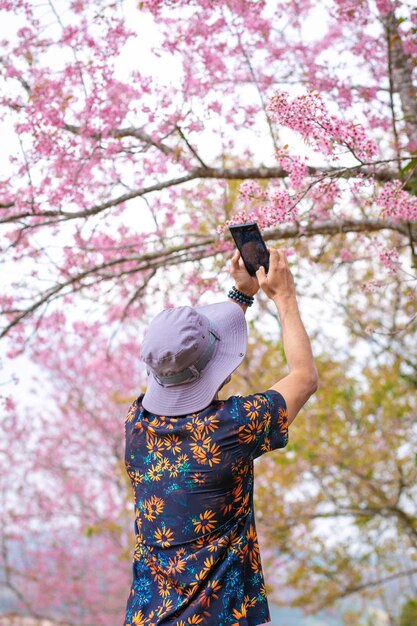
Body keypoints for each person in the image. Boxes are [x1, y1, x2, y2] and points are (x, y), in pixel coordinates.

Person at [123, 248, 318, 626]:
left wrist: (241, 296)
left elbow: (184, 365)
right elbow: (304, 378)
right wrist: (285, 297)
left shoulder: (136, 424)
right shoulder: (230, 429)